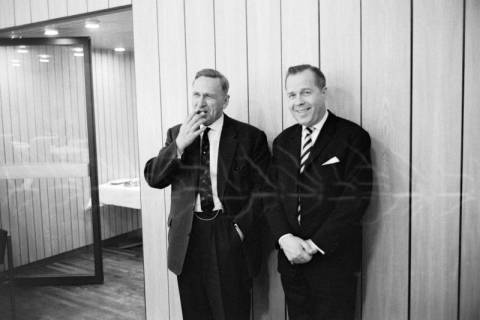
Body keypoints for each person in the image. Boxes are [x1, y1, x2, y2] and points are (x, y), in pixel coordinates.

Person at [144, 69, 270, 320]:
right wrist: (178, 145)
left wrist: (239, 230)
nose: (200, 103)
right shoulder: (177, 133)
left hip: (228, 231)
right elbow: (154, 179)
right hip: (188, 237)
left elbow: (264, 191)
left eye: (209, 96)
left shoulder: (249, 137)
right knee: (195, 312)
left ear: (225, 100)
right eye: (196, 95)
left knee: (231, 312)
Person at [265, 64, 372, 320]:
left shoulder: (352, 136)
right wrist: (284, 238)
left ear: (323, 92)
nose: (298, 102)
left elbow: (355, 199)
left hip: (333, 262)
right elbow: (270, 196)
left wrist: (313, 246)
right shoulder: (283, 142)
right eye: (291, 95)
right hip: (291, 261)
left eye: (306, 92)